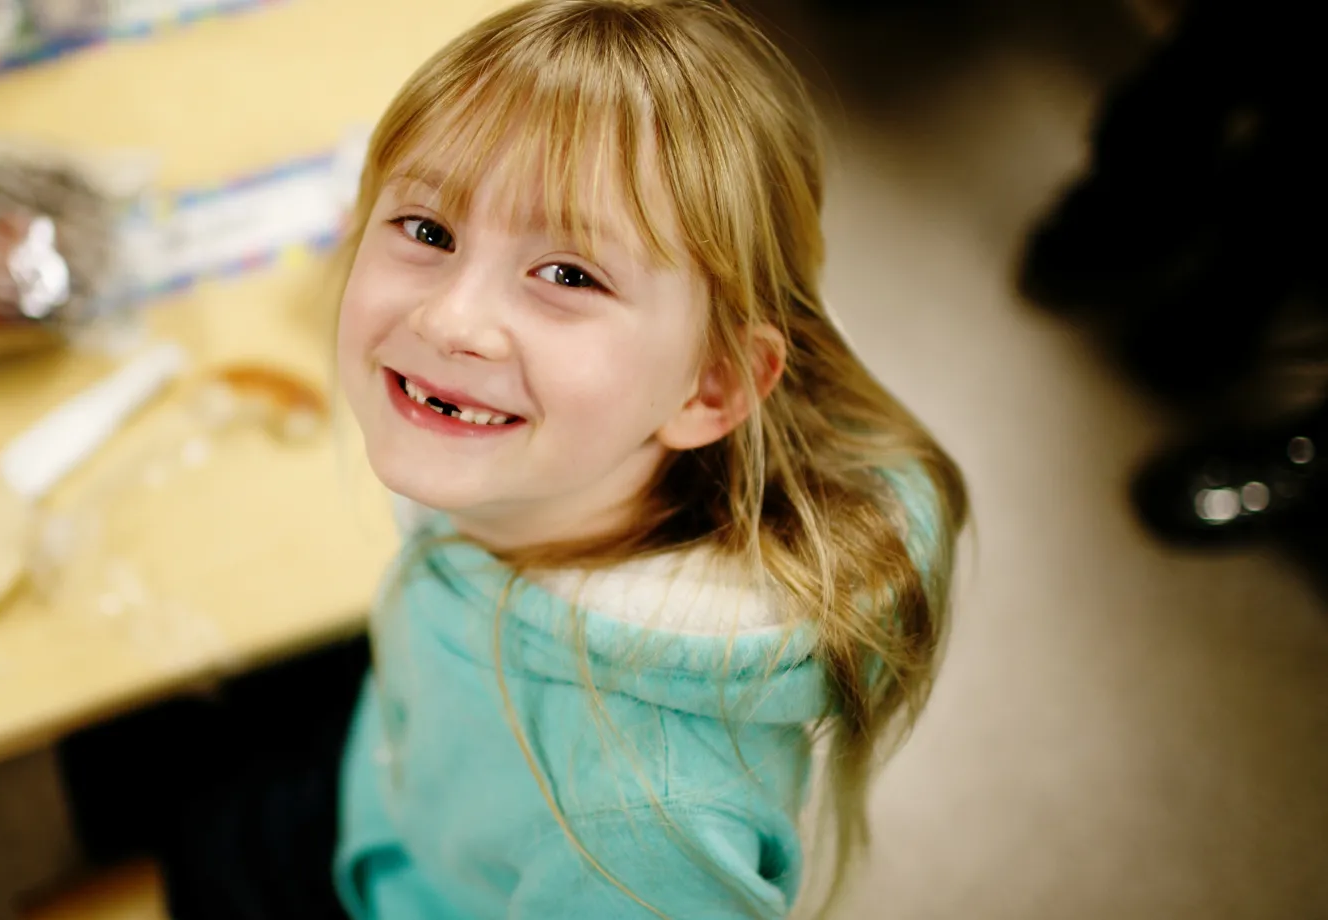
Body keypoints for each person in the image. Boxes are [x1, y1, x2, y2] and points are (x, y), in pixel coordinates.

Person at [59, 2, 967, 917]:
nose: (448, 318)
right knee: (123, 747)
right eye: (428, 230)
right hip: (402, 769)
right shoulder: (536, 468)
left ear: (711, 387)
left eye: (569, 275)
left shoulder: (642, 826)